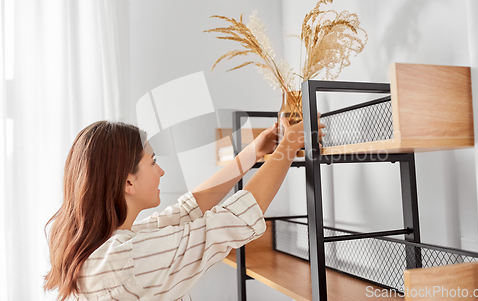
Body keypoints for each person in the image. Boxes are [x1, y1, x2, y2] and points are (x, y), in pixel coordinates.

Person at [44, 115, 325, 301]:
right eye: (153, 162)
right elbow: (228, 223)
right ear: (128, 181)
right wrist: (289, 146)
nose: (162, 171)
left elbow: (187, 209)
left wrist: (253, 152)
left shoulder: (112, 244)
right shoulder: (123, 257)